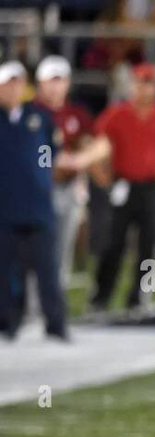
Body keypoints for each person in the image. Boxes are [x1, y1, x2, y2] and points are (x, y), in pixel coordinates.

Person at [90, 62, 155, 314]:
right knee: (112, 242)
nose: (145, 89)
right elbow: (97, 144)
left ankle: (139, 298)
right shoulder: (117, 114)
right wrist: (100, 173)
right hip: (123, 185)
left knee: (149, 243)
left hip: (152, 187)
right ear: (133, 85)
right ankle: (101, 297)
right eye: (141, 83)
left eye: (149, 83)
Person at [0, 61, 69, 342]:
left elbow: (49, 154)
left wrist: (41, 177)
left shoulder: (39, 118)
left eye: (18, 83)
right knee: (5, 271)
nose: (14, 88)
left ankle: (55, 324)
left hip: (38, 207)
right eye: (8, 83)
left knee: (47, 270)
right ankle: (8, 322)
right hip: (4, 209)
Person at [34, 56, 103, 290]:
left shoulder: (77, 114)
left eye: (60, 80)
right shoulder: (31, 113)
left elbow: (95, 143)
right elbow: (36, 153)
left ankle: (56, 301)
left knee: (63, 248)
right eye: (50, 81)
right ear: (40, 83)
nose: (55, 87)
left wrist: (83, 159)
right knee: (36, 248)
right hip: (38, 190)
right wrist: (57, 158)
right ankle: (29, 306)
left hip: (69, 187)